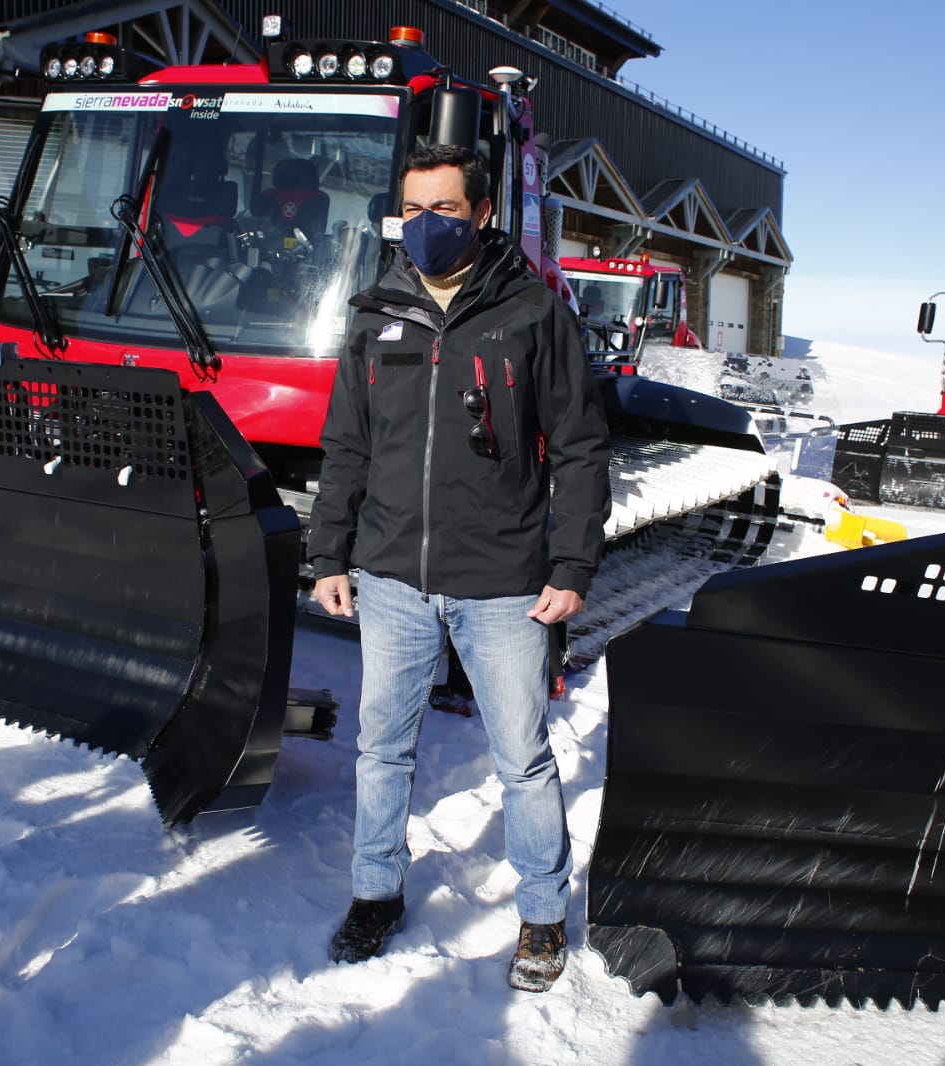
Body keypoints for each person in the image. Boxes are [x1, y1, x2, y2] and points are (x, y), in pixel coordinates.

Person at [307, 144, 611, 993]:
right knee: (381, 751)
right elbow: (347, 444)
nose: (423, 226)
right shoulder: (377, 311)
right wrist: (329, 551)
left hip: (503, 579)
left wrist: (572, 562)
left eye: (442, 209)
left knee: (521, 757)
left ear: (480, 214)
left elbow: (582, 450)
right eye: (411, 209)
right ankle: (375, 893)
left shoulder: (529, 313)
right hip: (392, 576)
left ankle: (542, 916)